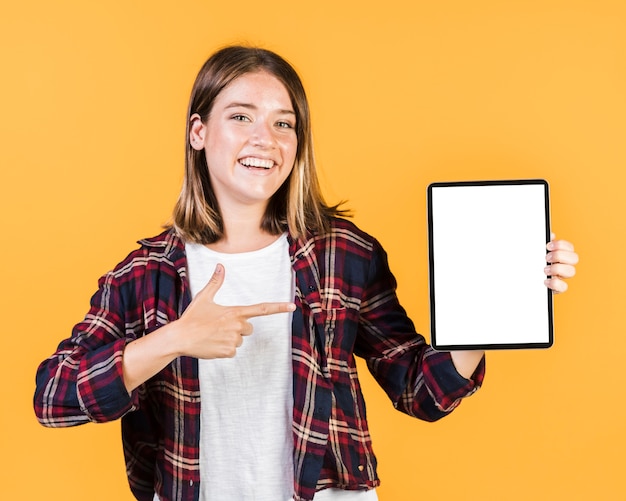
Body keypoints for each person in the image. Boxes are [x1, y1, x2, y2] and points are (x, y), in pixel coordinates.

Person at [33, 46, 579, 501]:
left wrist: (500, 300)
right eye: (240, 116)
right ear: (199, 132)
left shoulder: (344, 254)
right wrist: (174, 340)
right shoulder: (145, 275)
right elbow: (53, 398)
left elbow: (420, 389)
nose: (264, 139)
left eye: (283, 123)